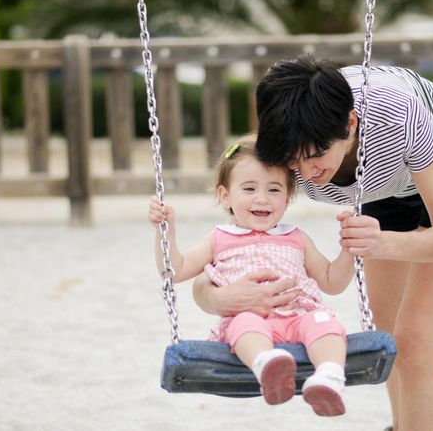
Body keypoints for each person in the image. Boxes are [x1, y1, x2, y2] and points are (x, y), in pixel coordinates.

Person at [193, 55, 433, 430]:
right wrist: (212, 296)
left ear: (350, 124)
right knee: (387, 336)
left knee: (416, 343)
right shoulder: (281, 150)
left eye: (317, 157)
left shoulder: (397, 112)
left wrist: (383, 243)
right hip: (382, 184)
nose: (306, 173)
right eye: (294, 161)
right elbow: (231, 245)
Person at [148, 134, 356, 417]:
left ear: (288, 196)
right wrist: (165, 232)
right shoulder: (219, 238)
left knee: (324, 322)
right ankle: (267, 365)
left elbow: (332, 281)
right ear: (225, 195)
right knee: (244, 324)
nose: (262, 199)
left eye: (274, 189)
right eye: (249, 188)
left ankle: (329, 377)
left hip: (300, 316)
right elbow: (175, 269)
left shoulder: (296, 237)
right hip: (250, 321)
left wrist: (349, 248)